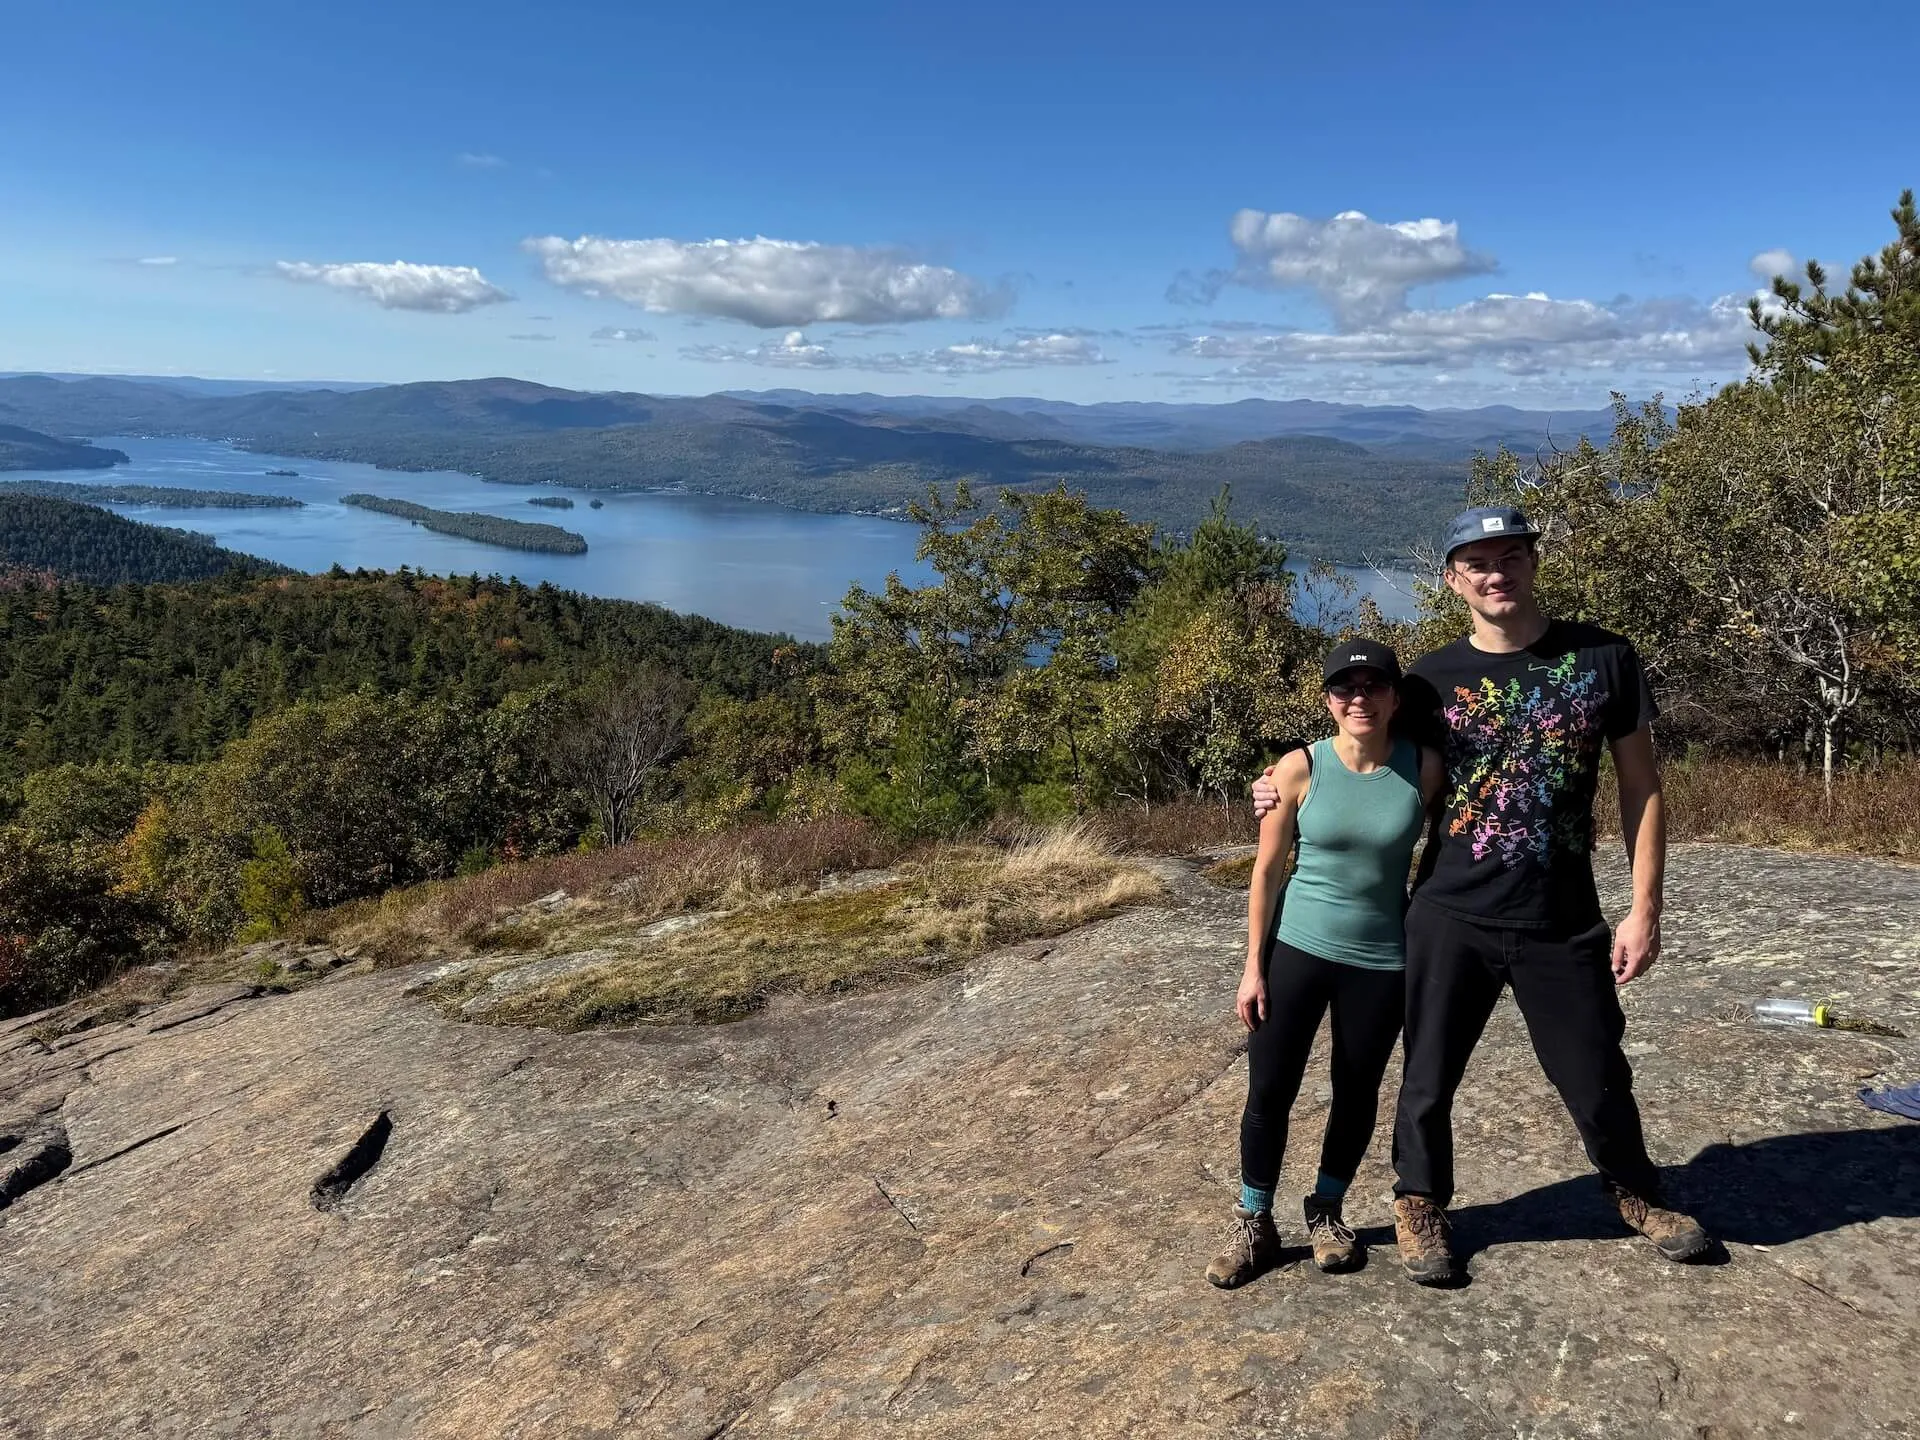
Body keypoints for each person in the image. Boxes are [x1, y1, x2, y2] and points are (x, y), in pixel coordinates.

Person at [1253, 506, 1712, 1286]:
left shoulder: (1605, 658)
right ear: (1453, 579)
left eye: (1510, 557)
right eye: (1477, 563)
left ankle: (1636, 1191)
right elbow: (1364, 750)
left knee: (1596, 1066)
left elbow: (1642, 785)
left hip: (1559, 913)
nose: (1495, 574)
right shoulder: (1428, 680)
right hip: (1448, 909)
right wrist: (1279, 786)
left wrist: (1644, 908)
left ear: (1534, 563)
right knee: (1427, 1073)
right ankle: (1420, 1202)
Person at [1207, 639, 1444, 1288]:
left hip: (1381, 961)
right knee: (1270, 1091)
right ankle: (1254, 1221)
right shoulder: (1297, 769)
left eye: (1373, 687)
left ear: (1396, 698)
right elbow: (1264, 873)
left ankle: (1326, 1212)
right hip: (1298, 953)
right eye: (1345, 688)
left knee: (1356, 1091)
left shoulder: (1424, 769)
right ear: (1328, 700)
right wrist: (1253, 966)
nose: (1359, 699)